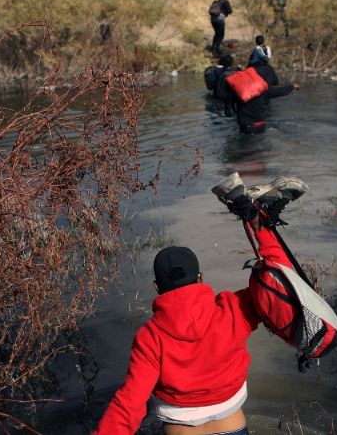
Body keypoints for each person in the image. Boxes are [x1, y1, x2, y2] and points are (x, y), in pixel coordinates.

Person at [93, 175, 307, 435]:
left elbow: (129, 404)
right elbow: (278, 282)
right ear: (201, 278)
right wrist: (259, 226)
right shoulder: (233, 309)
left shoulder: (150, 338)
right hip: (233, 429)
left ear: (157, 288)